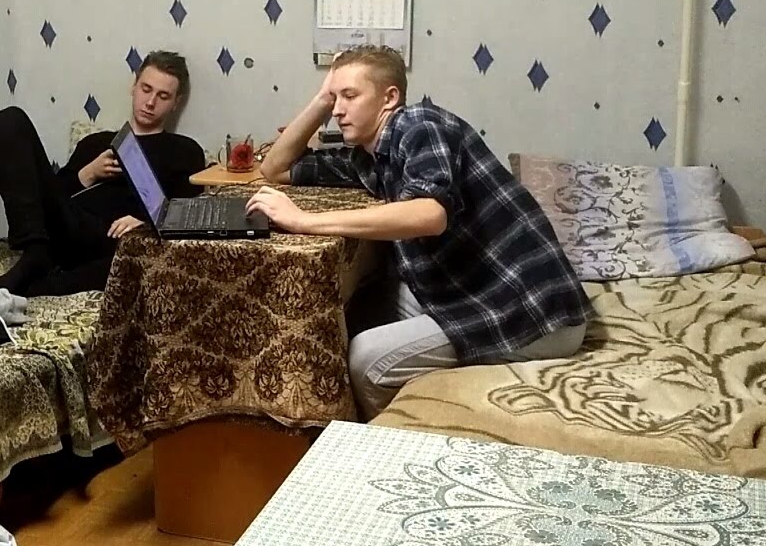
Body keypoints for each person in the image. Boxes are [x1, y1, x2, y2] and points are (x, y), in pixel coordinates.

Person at [251, 45, 594, 419]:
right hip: (471, 290)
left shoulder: (420, 125)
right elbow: (275, 168)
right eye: (335, 99)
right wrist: (322, 98)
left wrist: (303, 221)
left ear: (389, 98)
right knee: (356, 309)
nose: (337, 111)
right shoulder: (368, 158)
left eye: (349, 96)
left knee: (366, 357)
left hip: (534, 312)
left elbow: (429, 214)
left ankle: (391, 437)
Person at [0, 50, 205, 296]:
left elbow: (189, 213)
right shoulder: (95, 142)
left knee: (129, 260)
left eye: (163, 96)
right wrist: (88, 174)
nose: (150, 102)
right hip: (64, 229)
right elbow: (46, 198)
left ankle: (39, 278)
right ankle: (34, 251)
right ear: (134, 87)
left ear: (175, 103)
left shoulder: (184, 151)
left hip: (113, 241)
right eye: (146, 89)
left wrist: (146, 223)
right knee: (8, 120)